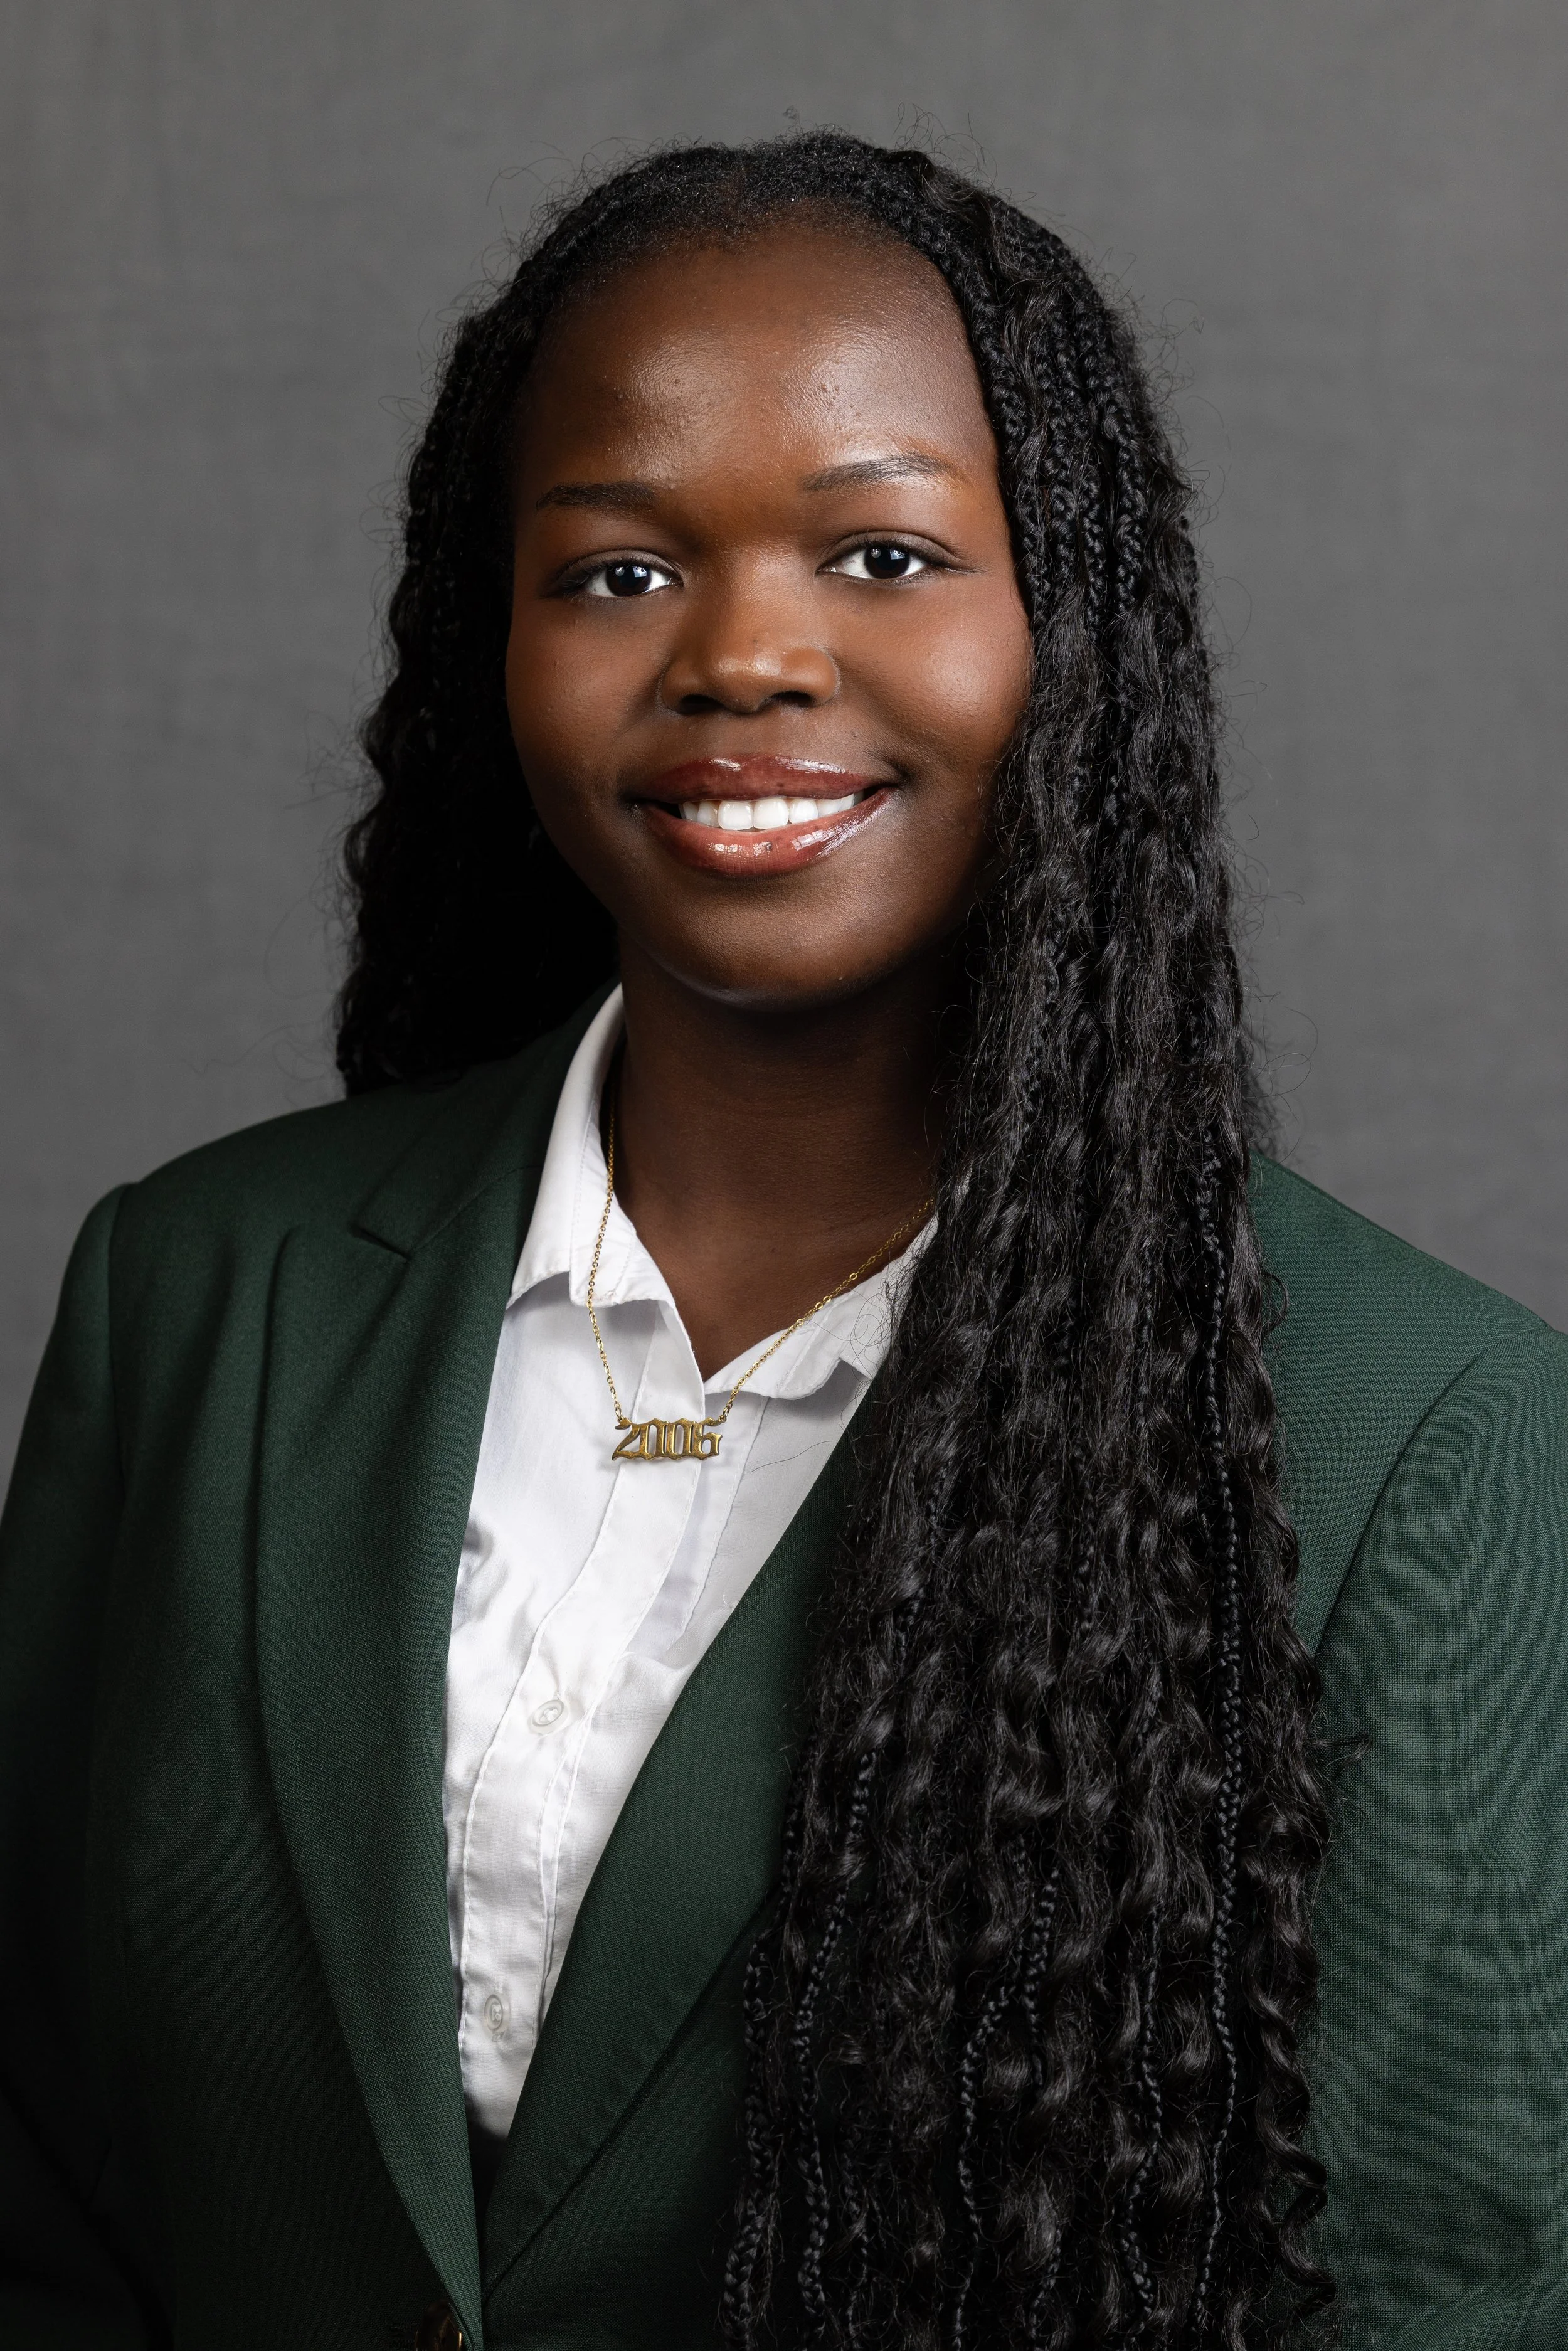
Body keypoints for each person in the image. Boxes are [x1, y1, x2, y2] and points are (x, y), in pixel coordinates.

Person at [1, 131, 1564, 2351]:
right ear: (497, 640)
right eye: (618, 573)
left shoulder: (1441, 1449)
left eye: (882, 551)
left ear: (1072, 633)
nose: (743, 651)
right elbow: (42, 2168)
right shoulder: (201, 1292)